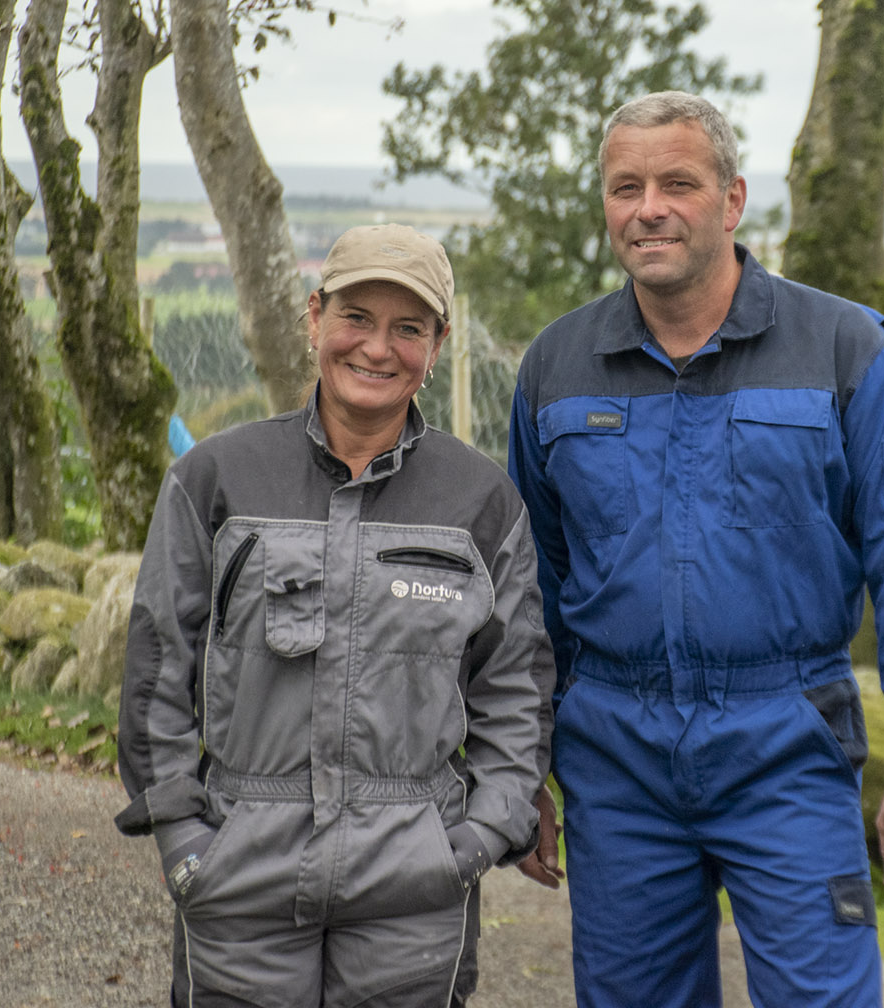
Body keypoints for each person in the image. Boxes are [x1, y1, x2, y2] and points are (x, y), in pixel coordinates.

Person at [506, 91, 884, 1008]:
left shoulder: (844, 349)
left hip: (787, 741)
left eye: (679, 182)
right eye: (625, 187)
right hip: (617, 757)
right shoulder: (556, 367)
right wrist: (523, 769)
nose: (649, 208)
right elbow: (531, 593)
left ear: (733, 199)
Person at [117, 223, 555, 1007]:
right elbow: (158, 670)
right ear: (314, 316)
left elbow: (515, 688)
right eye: (356, 317)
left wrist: (477, 838)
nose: (377, 349)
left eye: (407, 329)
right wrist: (186, 841)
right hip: (242, 869)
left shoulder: (482, 503)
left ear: (438, 343)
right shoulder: (215, 478)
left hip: (413, 881)